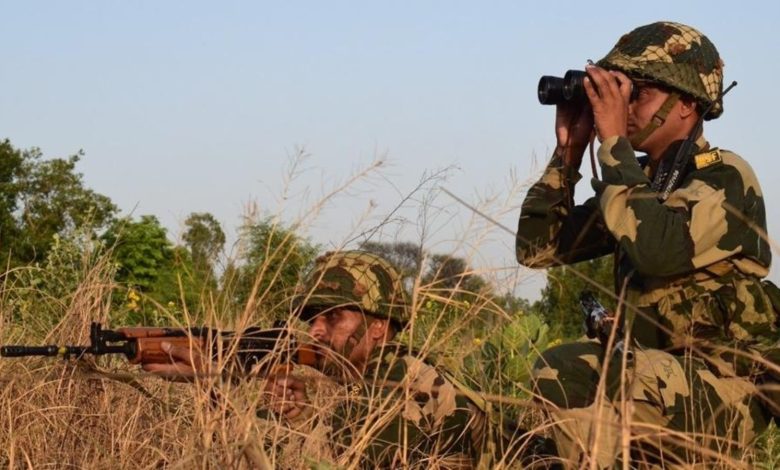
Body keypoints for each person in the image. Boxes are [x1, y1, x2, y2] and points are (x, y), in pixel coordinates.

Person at [516, 21, 778, 468]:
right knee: (549, 402)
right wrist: (569, 155)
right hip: (649, 378)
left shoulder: (725, 176)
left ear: (687, 105)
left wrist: (614, 142)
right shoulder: (635, 186)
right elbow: (538, 249)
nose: (623, 106)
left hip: (723, 391)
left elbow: (658, 248)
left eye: (636, 92)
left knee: (603, 372)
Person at [144, 250, 518, 468]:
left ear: (377, 327)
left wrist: (216, 383)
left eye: (334, 317)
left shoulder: (398, 381)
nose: (316, 331)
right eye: (312, 319)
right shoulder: (374, 378)